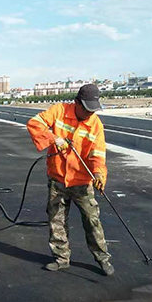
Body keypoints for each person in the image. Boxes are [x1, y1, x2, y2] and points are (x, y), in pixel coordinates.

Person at [26, 84, 114, 276]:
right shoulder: (59, 111)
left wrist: (99, 174)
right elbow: (34, 122)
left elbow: (98, 154)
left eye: (93, 109)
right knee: (56, 219)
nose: (90, 113)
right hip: (58, 178)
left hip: (82, 181)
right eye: (87, 109)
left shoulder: (95, 124)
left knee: (92, 220)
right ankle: (61, 259)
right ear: (76, 103)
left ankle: (102, 258)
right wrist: (53, 138)